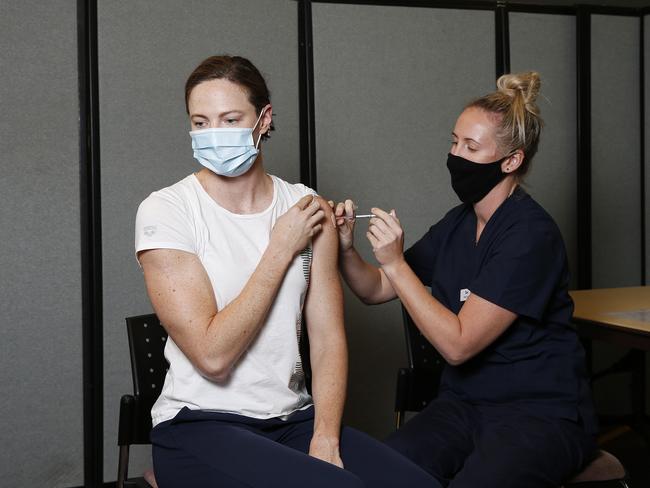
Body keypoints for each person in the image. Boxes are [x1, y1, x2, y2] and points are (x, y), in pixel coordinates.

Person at [135, 55, 441, 488]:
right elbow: (212, 356)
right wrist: (280, 248)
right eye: (200, 122)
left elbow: (328, 338)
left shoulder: (305, 205)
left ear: (263, 119)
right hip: (200, 425)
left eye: (230, 118)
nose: (214, 134)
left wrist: (325, 438)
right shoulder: (167, 211)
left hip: (291, 421)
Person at [332, 71, 598, 488]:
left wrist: (397, 264)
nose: (455, 155)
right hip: (463, 405)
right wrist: (346, 247)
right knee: (381, 473)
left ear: (512, 161)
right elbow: (375, 289)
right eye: (455, 142)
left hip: (539, 414)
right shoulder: (458, 223)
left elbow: (458, 345)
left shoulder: (530, 235)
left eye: (471, 147)